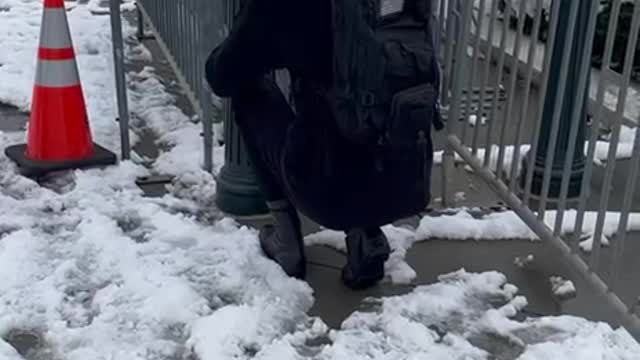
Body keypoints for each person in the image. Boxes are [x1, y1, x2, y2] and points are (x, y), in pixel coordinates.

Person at [205, 0, 439, 289]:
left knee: (249, 91)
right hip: (408, 180)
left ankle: (286, 241)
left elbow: (223, 77)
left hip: (327, 190)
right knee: (359, 103)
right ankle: (365, 239)